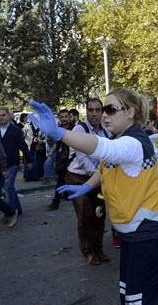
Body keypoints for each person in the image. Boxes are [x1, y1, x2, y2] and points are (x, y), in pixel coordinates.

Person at [30, 88, 158, 305]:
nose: (104, 115)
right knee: (127, 292)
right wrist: (86, 187)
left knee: (140, 298)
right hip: (134, 233)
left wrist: (58, 132)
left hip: (148, 233)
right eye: (102, 109)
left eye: (111, 109)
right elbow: (106, 165)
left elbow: (103, 151)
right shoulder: (120, 142)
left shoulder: (134, 143)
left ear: (130, 112)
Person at [66, 98, 111, 265]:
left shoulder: (105, 130)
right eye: (91, 110)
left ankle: (98, 248)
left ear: (102, 111)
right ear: (86, 111)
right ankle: (88, 251)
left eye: (98, 110)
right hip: (78, 178)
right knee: (85, 216)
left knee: (99, 214)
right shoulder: (80, 128)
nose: (94, 113)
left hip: (97, 178)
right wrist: (99, 174)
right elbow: (82, 157)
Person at [0, 108, 32, 216]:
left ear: (8, 117)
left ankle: (11, 212)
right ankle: (18, 209)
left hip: (12, 164)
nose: (1, 117)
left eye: (3, 115)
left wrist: (29, 160)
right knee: (9, 188)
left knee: (8, 187)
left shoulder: (15, 130)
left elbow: (23, 146)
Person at [48, 109, 74, 210]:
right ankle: (64, 196)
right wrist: (52, 151)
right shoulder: (58, 129)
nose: (64, 119)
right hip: (61, 157)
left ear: (69, 117)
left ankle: (56, 202)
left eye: (66, 117)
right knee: (62, 178)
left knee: (61, 180)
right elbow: (57, 143)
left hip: (71, 158)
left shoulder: (74, 129)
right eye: (62, 117)